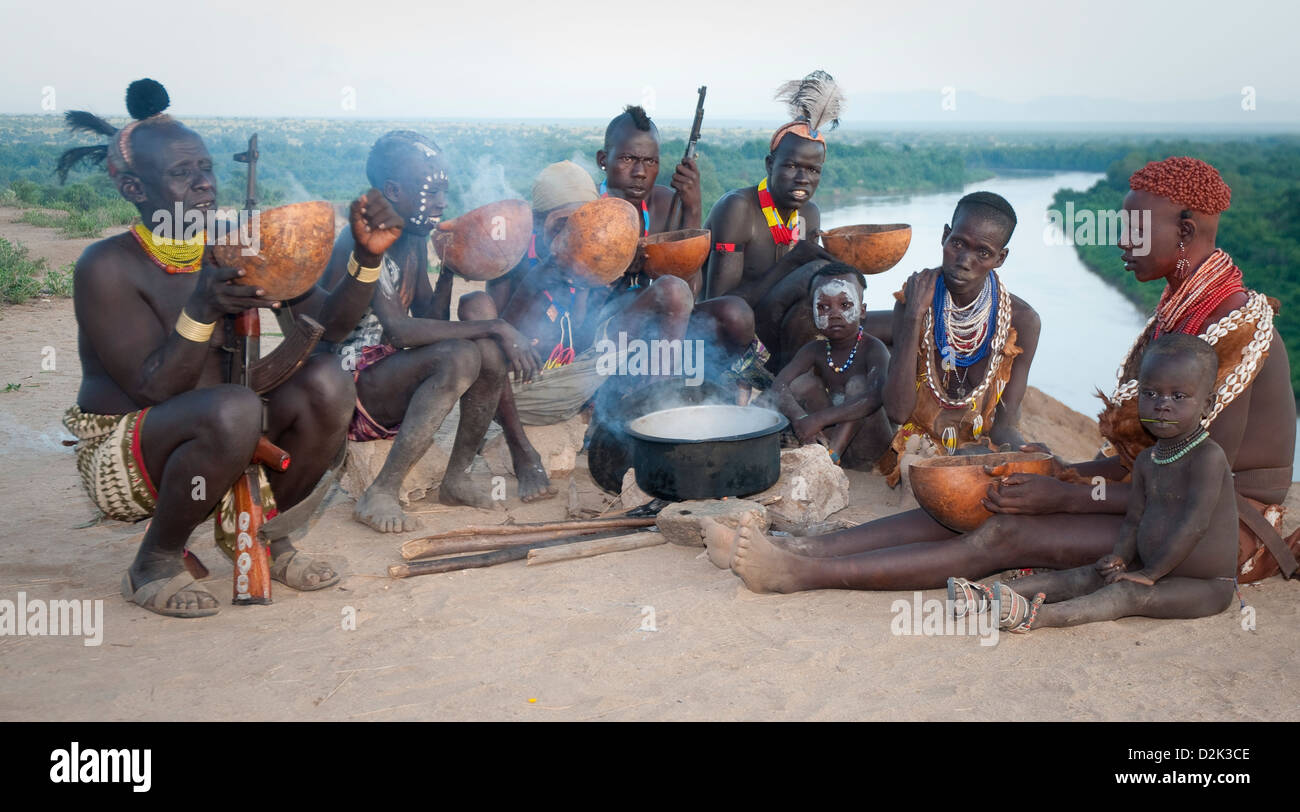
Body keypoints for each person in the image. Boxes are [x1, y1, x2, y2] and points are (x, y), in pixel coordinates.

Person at [703, 156, 1298, 594]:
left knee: (1009, 534)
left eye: (1135, 229)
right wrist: (1056, 473)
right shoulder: (1187, 312)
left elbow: (1192, 487)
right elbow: (1150, 462)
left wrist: (1065, 493)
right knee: (989, 495)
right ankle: (797, 544)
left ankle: (800, 573)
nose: (1120, 241)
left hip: (1215, 529)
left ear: (1186, 233)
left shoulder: (1234, 325)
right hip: (1160, 498)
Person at [58, 79, 403, 616]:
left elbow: (328, 326)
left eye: (206, 169)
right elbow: (154, 388)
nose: (202, 185)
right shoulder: (107, 267)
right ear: (134, 189)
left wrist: (366, 255)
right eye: (181, 173)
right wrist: (201, 308)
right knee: (234, 407)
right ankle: (154, 562)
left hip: (229, 427)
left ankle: (269, 535)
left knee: (327, 381)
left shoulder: (236, 243)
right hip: (132, 452)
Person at [320, 130, 542, 531]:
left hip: (388, 372)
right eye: (432, 191)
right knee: (463, 352)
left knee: (487, 352)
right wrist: (497, 324)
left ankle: (455, 478)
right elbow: (402, 332)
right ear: (393, 190)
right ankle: (382, 490)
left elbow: (428, 315)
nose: (441, 202)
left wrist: (448, 269)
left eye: (444, 190)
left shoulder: (414, 237)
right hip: (348, 387)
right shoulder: (365, 240)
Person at [948, 335, 1238, 632]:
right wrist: (1121, 558)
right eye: (1150, 394)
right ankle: (985, 597)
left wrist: (1151, 573)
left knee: (1127, 593)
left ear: (1207, 404)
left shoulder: (1208, 458)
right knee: (1092, 574)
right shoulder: (1147, 461)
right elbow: (1135, 519)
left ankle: (1036, 617)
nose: (1162, 405)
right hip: (1152, 570)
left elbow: (1195, 525)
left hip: (1203, 586)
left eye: (1178, 397)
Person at [704, 70, 865, 371]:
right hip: (727, 334)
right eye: (791, 165)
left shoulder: (809, 214)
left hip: (775, 331)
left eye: (813, 170)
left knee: (825, 288)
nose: (803, 178)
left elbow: (805, 289)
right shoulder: (738, 208)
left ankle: (792, 377)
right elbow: (721, 304)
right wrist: (792, 263)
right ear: (770, 164)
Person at [763, 262, 892, 468]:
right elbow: (779, 385)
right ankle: (823, 453)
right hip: (829, 441)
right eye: (823, 307)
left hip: (872, 453)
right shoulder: (814, 350)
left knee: (858, 385)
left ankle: (830, 457)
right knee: (803, 384)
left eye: (845, 305)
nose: (834, 314)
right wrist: (801, 418)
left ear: (862, 311)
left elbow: (874, 397)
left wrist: (819, 419)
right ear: (811, 313)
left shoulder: (874, 349)